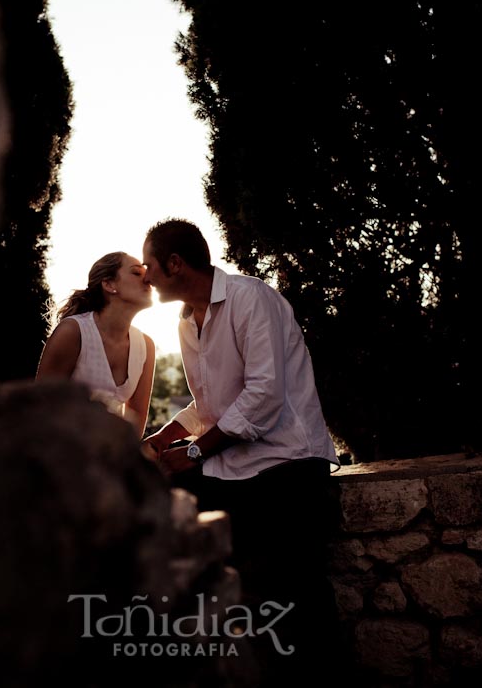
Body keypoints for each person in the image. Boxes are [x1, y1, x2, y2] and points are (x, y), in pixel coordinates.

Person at [140, 219, 343, 684]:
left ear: (175, 264)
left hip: (288, 466)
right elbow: (209, 404)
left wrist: (192, 454)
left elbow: (264, 395)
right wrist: (165, 438)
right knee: (238, 595)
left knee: (296, 596)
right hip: (234, 470)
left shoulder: (249, 298)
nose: (145, 275)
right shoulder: (186, 322)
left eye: (150, 264)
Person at [36, 252, 156, 440]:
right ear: (109, 285)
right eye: (136, 273)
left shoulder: (145, 346)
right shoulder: (73, 331)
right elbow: (40, 406)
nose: (148, 280)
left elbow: (135, 427)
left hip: (109, 461)